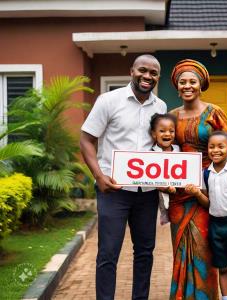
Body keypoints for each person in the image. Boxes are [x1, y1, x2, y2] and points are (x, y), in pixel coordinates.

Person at [80, 54, 167, 300]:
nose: (147, 76)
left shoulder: (160, 107)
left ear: (157, 77)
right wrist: (98, 176)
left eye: (153, 73)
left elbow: (162, 145)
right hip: (113, 191)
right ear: (132, 71)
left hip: (147, 193)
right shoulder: (108, 100)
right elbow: (86, 140)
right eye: (143, 70)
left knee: (144, 253)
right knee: (108, 253)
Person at [168, 58, 227, 299]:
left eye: (193, 81)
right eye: (182, 82)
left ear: (201, 84)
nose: (187, 86)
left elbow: (225, 145)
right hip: (181, 192)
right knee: (180, 248)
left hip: (206, 191)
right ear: (177, 86)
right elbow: (164, 150)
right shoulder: (171, 116)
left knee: (205, 248)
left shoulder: (214, 112)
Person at [186, 131, 227, 300]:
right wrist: (196, 194)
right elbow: (208, 203)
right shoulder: (205, 174)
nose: (216, 150)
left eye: (221, 146)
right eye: (211, 147)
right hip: (216, 226)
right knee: (222, 268)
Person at [149, 113, 179, 225]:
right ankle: (164, 214)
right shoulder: (151, 153)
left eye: (171, 131)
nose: (167, 134)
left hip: (177, 193)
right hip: (159, 192)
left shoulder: (178, 150)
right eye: (162, 131)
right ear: (154, 134)